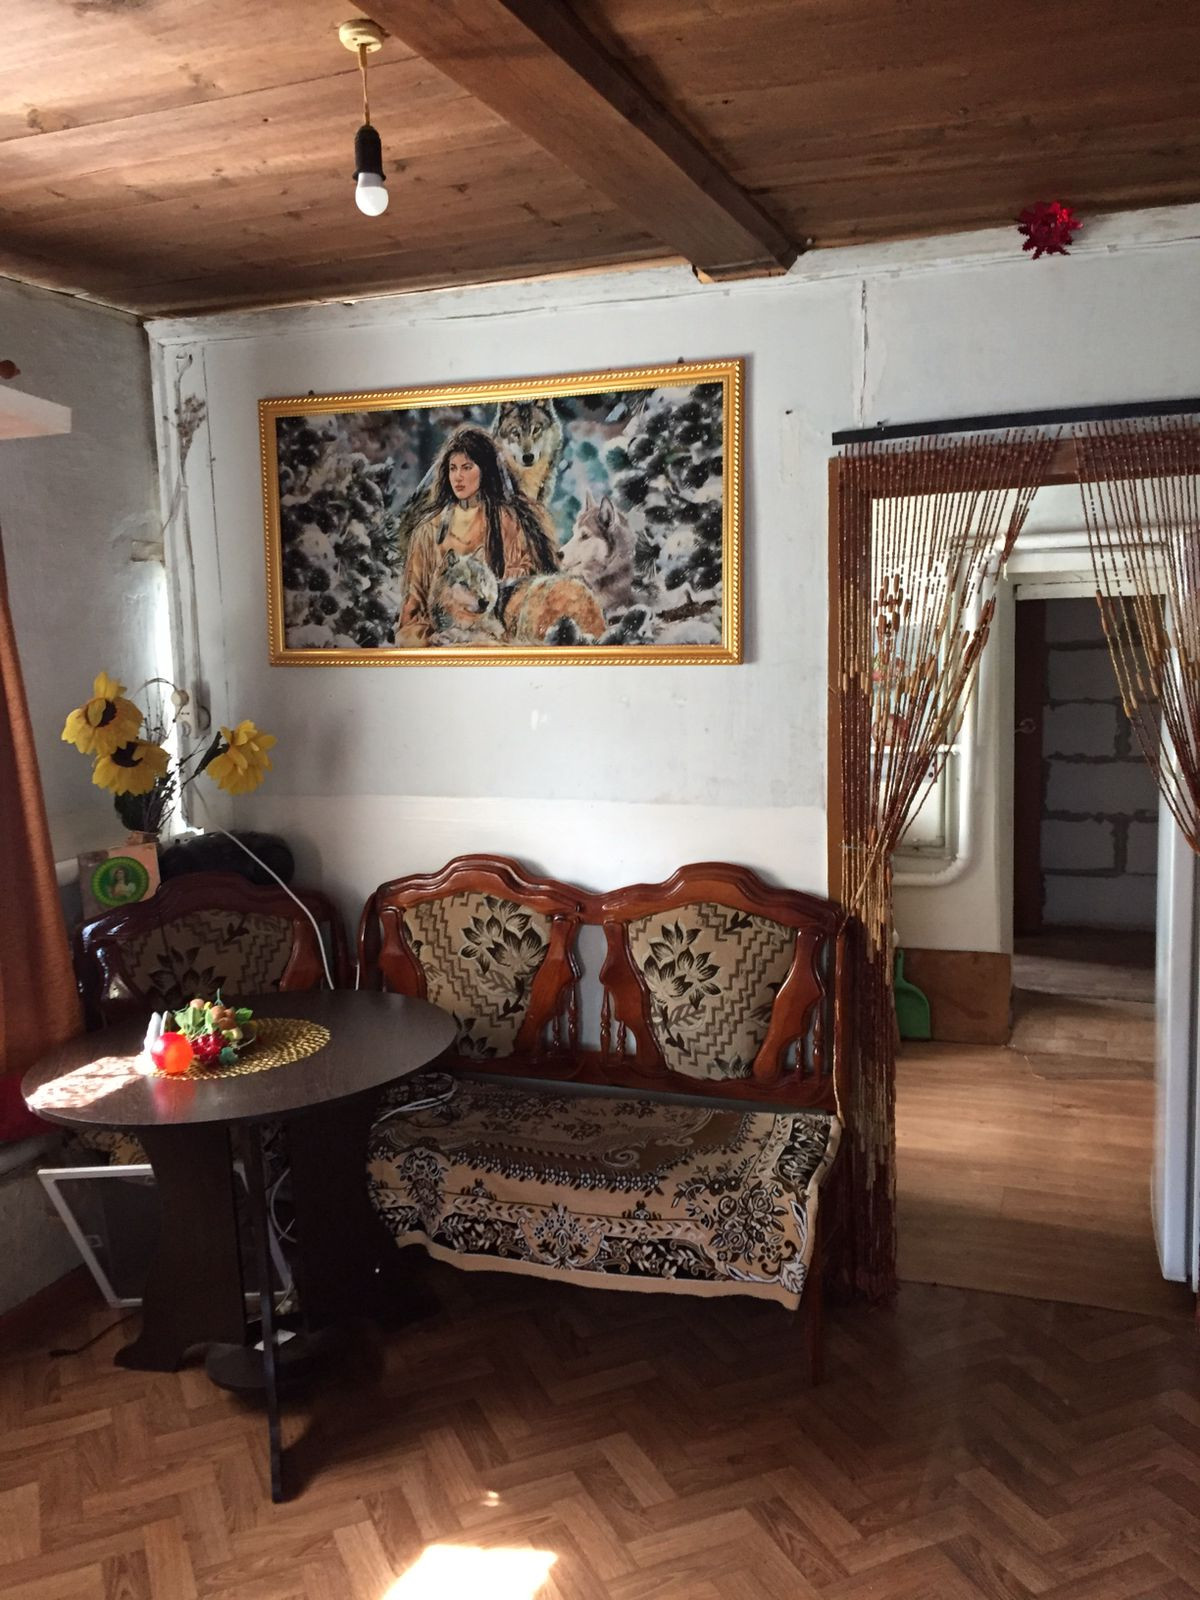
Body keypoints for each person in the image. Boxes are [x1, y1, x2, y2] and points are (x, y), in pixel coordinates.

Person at [395, 426, 559, 647]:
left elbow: (528, 584)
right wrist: (430, 637)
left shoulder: (508, 521)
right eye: (453, 468)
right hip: (441, 639)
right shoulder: (428, 529)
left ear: (484, 470)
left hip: (498, 634)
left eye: (467, 467)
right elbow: (413, 604)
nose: (458, 477)